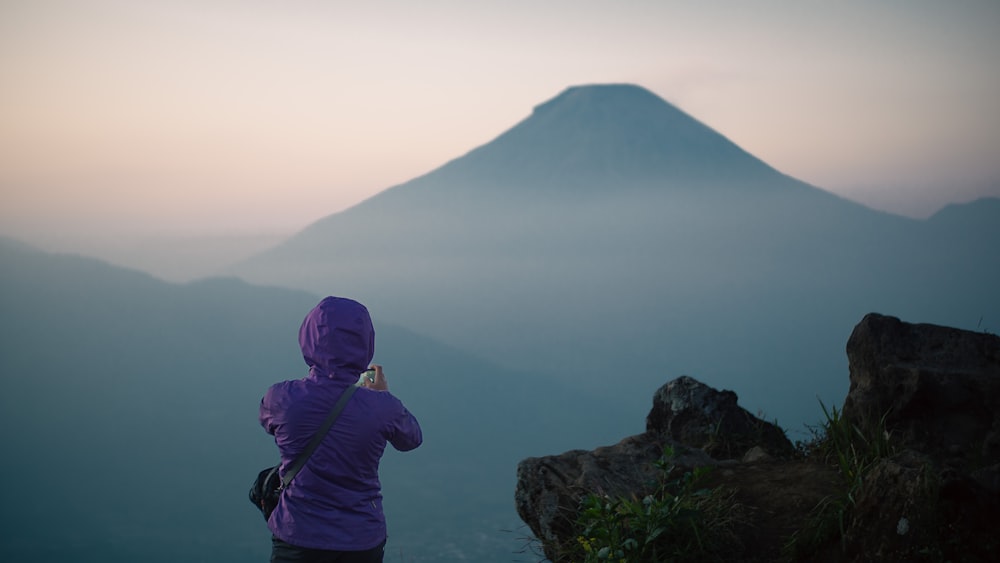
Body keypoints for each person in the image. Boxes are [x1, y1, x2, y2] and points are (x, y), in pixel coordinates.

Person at [260, 296, 423, 563]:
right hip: (361, 539)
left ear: (309, 336)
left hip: (297, 535)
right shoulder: (382, 405)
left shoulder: (281, 398)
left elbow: (270, 423)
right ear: (366, 341)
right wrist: (378, 391)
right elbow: (412, 439)